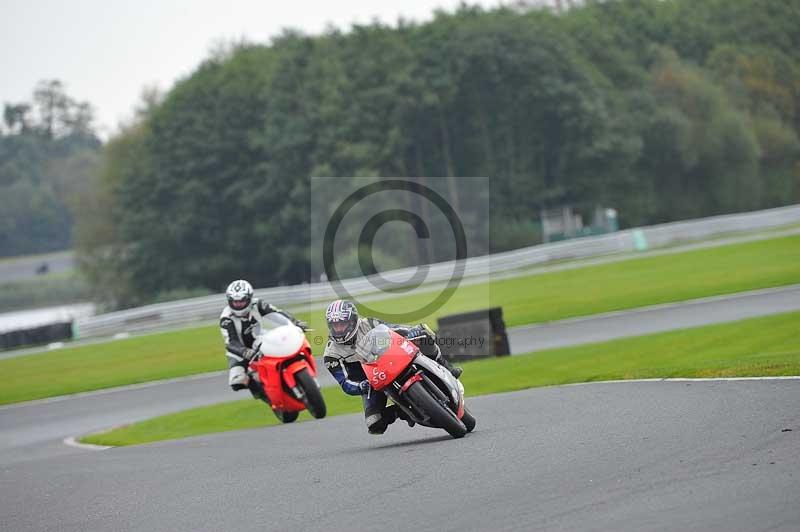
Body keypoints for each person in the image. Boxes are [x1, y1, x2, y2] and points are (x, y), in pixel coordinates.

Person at [322, 299, 462, 435]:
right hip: (371, 382)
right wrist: (361, 386)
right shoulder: (331, 354)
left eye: (342, 324)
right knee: (374, 424)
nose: (339, 329)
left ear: (352, 321)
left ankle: (446, 366)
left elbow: (393, 329)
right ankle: (400, 411)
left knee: (423, 335)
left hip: (391, 358)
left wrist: (411, 331)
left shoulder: (369, 323)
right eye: (335, 325)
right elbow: (345, 383)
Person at [220, 279, 307, 401]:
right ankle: (264, 396)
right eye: (235, 302)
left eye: (241, 301)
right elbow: (231, 342)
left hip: (261, 339)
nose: (238, 304)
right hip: (239, 350)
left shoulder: (258, 304)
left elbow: (278, 314)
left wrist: (295, 323)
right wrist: (245, 352)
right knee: (237, 381)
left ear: (250, 298)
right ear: (229, 301)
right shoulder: (226, 318)